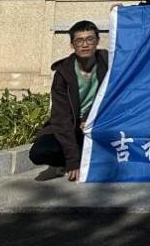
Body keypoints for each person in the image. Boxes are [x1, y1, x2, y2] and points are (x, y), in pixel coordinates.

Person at [28, 21, 107, 181]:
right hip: (73, 126)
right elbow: (61, 118)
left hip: (100, 125)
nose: (85, 45)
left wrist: (89, 118)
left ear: (97, 41)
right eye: (79, 41)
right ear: (72, 45)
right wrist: (72, 161)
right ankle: (68, 161)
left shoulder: (108, 63)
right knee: (40, 151)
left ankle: (90, 158)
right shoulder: (63, 73)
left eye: (90, 39)